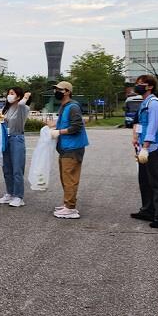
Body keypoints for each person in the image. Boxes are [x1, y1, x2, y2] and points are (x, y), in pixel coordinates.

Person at [129, 74, 158, 229]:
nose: (137, 85)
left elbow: (153, 127)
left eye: (140, 83)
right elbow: (141, 123)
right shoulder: (144, 103)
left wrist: (145, 147)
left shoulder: (154, 104)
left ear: (150, 86)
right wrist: (136, 139)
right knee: (145, 181)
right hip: (143, 148)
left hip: (154, 149)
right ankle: (148, 210)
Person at [46, 81, 88, 219]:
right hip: (66, 147)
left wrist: (59, 132)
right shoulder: (64, 107)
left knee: (70, 178)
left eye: (59, 90)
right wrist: (53, 127)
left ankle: (70, 208)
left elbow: (77, 127)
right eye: (55, 90)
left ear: (68, 92)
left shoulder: (73, 107)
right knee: (65, 177)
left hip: (73, 147)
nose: (56, 92)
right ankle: (67, 204)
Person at [0, 87, 31, 208]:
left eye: (12, 93)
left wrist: (26, 96)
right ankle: (10, 193)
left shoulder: (23, 108)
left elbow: (21, 104)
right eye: (8, 93)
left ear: (18, 96)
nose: (9, 96)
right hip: (6, 138)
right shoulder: (7, 109)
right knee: (7, 168)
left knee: (17, 169)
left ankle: (19, 196)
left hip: (17, 139)